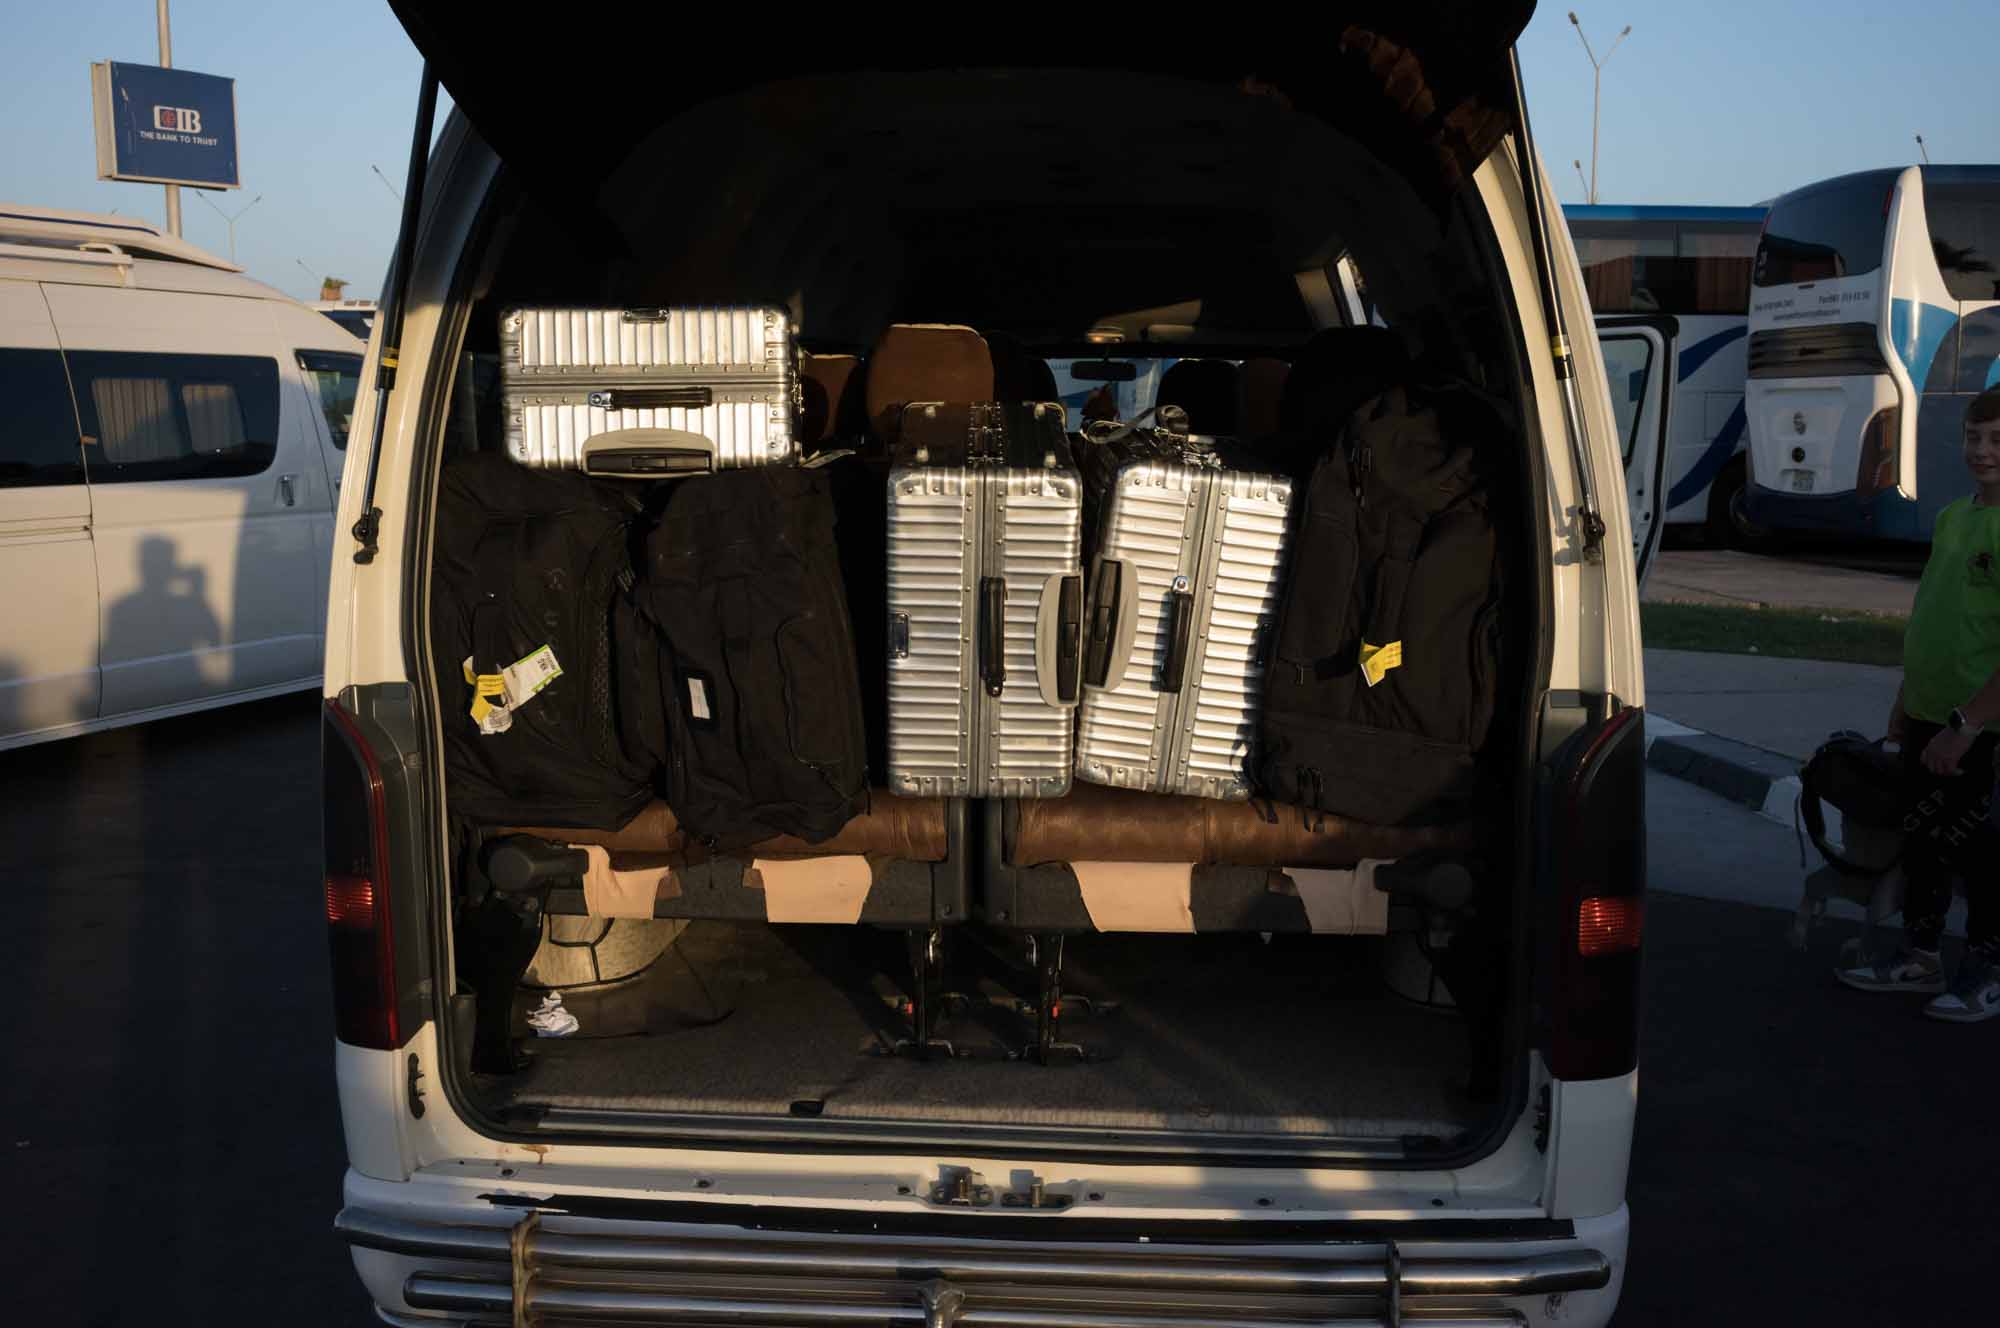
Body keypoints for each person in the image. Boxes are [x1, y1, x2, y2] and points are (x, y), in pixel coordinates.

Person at [1839, 386, 2000, 1020]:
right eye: (1973, 437)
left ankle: (1988, 971)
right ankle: (1920, 955)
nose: (1981, 451)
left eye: (1996, 441)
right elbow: (1934, 614)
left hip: (1979, 728)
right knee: (1926, 841)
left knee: (1983, 852)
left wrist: (1966, 725)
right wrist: (1909, 700)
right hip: (1931, 715)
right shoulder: (1953, 517)